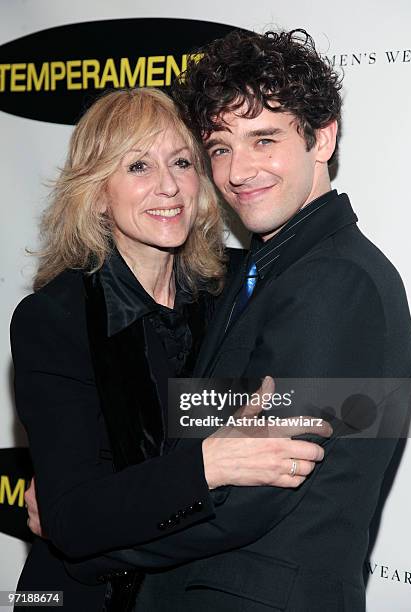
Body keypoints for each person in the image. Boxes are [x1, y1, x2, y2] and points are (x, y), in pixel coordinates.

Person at [35, 28, 411, 611]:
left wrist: (80, 537)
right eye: (220, 148)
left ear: (323, 138)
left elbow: (255, 495)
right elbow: (191, 431)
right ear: (96, 191)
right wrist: (84, 504)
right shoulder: (255, 276)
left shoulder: (336, 281)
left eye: (264, 140)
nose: (240, 170)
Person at [11, 87, 329, 611]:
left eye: (181, 162)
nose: (168, 186)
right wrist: (210, 463)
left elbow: (334, 403)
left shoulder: (235, 290)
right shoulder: (56, 318)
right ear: (95, 191)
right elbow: (71, 518)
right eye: (138, 166)